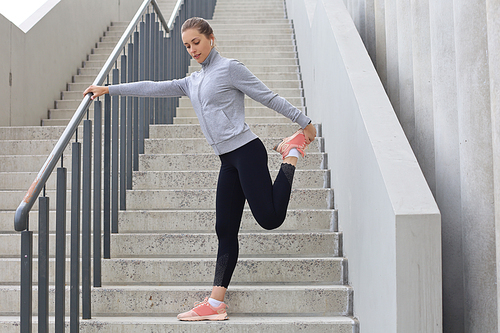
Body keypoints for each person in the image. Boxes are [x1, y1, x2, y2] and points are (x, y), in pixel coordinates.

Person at [84, 17, 317, 321]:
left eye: (196, 42)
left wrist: (304, 123)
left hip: (247, 152)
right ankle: (216, 302)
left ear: (211, 38)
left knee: (270, 218)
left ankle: (292, 152)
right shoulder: (192, 81)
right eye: (187, 45)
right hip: (227, 161)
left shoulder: (230, 68)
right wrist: (110, 89)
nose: (192, 49)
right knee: (224, 229)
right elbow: (154, 88)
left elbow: (267, 96)